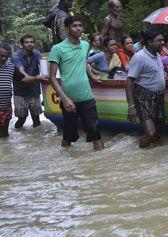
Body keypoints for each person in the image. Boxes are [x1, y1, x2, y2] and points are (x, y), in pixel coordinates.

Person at [48, 16, 105, 150]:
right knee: (69, 134)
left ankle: (101, 165)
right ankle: (65, 163)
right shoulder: (58, 49)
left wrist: (92, 77)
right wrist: (64, 99)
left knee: (95, 131)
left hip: (87, 96)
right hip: (69, 99)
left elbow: (83, 61)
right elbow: (51, 77)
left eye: (80, 25)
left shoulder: (85, 45)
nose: (78, 28)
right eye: (74, 26)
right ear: (67, 29)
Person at [126, 29, 166, 148]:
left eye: (163, 40)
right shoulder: (139, 57)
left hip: (158, 96)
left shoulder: (157, 55)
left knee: (158, 134)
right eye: (159, 40)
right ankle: (139, 152)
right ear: (149, 42)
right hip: (143, 97)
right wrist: (131, 106)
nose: (162, 43)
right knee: (151, 133)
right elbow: (129, 81)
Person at [11, 35, 48, 129]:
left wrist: (46, 76)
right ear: (22, 45)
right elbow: (21, 70)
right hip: (20, 91)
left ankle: (38, 140)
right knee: (21, 119)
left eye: (31, 42)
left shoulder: (37, 54)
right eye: (27, 42)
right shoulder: (16, 56)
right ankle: (16, 134)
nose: (29, 44)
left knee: (36, 118)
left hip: (34, 90)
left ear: (34, 44)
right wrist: (34, 78)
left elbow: (44, 67)